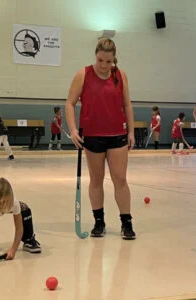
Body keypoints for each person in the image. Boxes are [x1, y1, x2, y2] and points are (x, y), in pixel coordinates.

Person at [65, 38, 136, 240]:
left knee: (120, 179)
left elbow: (127, 105)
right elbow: (70, 103)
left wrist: (130, 132)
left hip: (117, 135)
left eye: (109, 62)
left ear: (114, 59)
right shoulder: (83, 75)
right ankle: (99, 222)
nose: (105, 66)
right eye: (101, 60)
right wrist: (73, 130)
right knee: (96, 180)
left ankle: (126, 223)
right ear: (96, 56)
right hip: (93, 136)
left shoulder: (120, 75)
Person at [0, 178, 41, 262]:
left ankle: (29, 239)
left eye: (4, 202)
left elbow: (19, 228)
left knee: (24, 208)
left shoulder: (13, 203)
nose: (1, 206)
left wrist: (13, 249)